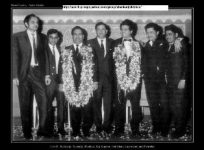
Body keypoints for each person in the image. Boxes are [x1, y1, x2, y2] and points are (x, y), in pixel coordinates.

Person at [12, 14, 49, 139]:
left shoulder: (43, 38)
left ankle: (42, 131)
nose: (36, 24)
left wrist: (47, 74)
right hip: (24, 74)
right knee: (25, 104)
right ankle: (27, 133)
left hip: (39, 74)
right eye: (33, 22)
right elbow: (15, 56)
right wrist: (15, 76)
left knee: (44, 102)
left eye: (37, 22)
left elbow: (46, 57)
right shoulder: (17, 37)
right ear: (26, 24)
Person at [59, 26, 99, 139]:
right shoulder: (66, 50)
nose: (77, 36)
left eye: (80, 34)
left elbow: (95, 67)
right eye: (75, 34)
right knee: (74, 109)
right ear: (72, 36)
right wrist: (61, 83)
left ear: (83, 36)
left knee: (87, 109)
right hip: (71, 84)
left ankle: (86, 130)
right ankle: (76, 131)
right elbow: (60, 68)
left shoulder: (90, 50)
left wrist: (95, 81)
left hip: (86, 83)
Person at [112, 19, 143, 138]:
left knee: (135, 107)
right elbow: (111, 63)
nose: (123, 32)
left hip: (135, 81)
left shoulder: (139, 44)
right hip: (120, 81)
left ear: (131, 30)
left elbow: (143, 62)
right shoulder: (115, 43)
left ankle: (135, 130)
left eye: (125, 29)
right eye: (122, 29)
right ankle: (118, 130)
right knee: (119, 106)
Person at [142, 23, 169, 137]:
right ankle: (156, 127)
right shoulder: (146, 45)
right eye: (147, 32)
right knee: (153, 105)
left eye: (151, 32)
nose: (149, 34)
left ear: (158, 33)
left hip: (162, 81)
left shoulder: (164, 43)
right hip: (149, 81)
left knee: (164, 105)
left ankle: (164, 129)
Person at [87, 22, 114, 137]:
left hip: (109, 79)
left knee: (108, 104)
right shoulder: (89, 43)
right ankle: (98, 126)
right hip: (95, 80)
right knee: (96, 103)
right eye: (99, 29)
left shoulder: (113, 42)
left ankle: (107, 126)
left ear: (106, 31)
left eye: (103, 29)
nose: (101, 31)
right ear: (96, 30)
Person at [164, 24, 190, 138]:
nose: (167, 36)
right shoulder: (168, 45)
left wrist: (183, 79)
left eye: (170, 34)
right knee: (174, 107)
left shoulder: (182, 44)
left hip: (180, 82)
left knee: (180, 107)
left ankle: (180, 131)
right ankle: (178, 128)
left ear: (176, 35)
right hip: (170, 83)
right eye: (166, 34)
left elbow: (187, 63)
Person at [45, 29, 67, 137]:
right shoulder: (43, 50)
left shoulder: (61, 49)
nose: (53, 39)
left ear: (59, 39)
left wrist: (63, 81)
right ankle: (49, 130)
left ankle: (61, 129)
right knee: (48, 106)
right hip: (48, 82)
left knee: (61, 105)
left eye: (55, 37)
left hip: (60, 82)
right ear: (48, 38)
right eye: (51, 37)